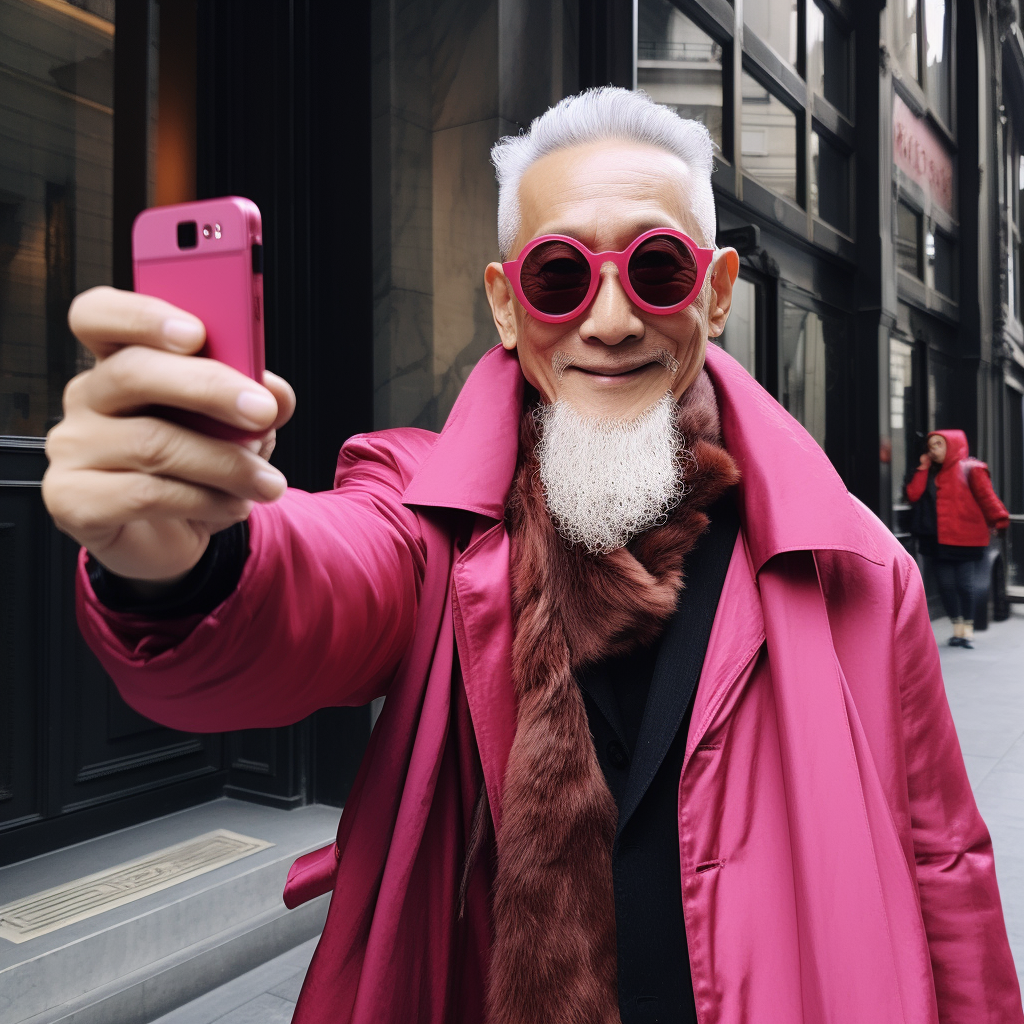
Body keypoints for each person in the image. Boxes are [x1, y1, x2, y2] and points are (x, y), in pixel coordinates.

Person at [42, 89, 1022, 1024]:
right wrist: (188, 560)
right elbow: (322, 576)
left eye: (657, 270)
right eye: (559, 275)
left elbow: (946, 867)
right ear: (508, 308)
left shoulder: (859, 568)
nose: (607, 320)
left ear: (715, 293)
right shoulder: (425, 519)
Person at [907, 429, 1010, 648]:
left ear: (952, 445)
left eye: (939, 445)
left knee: (964, 584)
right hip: (935, 539)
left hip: (964, 538)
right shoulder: (930, 471)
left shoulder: (971, 468)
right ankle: (957, 629)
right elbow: (913, 494)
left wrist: (999, 519)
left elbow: (987, 497)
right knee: (946, 585)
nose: (934, 450)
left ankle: (967, 631)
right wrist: (924, 468)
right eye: (931, 446)